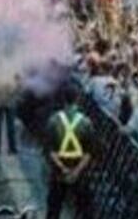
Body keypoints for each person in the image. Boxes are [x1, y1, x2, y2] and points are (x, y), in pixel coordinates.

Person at [45, 90, 92, 219]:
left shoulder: (53, 120)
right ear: (77, 99)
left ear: (63, 100)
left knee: (53, 209)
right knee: (84, 210)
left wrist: (63, 168)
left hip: (58, 173)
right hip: (79, 174)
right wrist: (76, 171)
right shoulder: (86, 122)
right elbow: (88, 153)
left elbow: (50, 151)